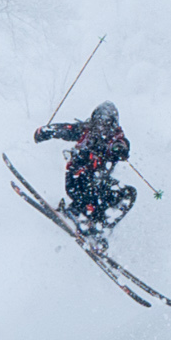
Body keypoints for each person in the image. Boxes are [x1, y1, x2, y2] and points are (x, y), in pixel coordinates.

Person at [33, 101, 136, 239]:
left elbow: (123, 146)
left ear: (112, 125)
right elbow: (66, 129)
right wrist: (47, 131)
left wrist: (119, 150)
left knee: (129, 193)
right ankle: (77, 212)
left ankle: (100, 228)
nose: (101, 128)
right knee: (91, 172)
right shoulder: (85, 131)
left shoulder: (115, 139)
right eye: (98, 123)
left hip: (99, 190)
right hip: (78, 181)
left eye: (105, 124)